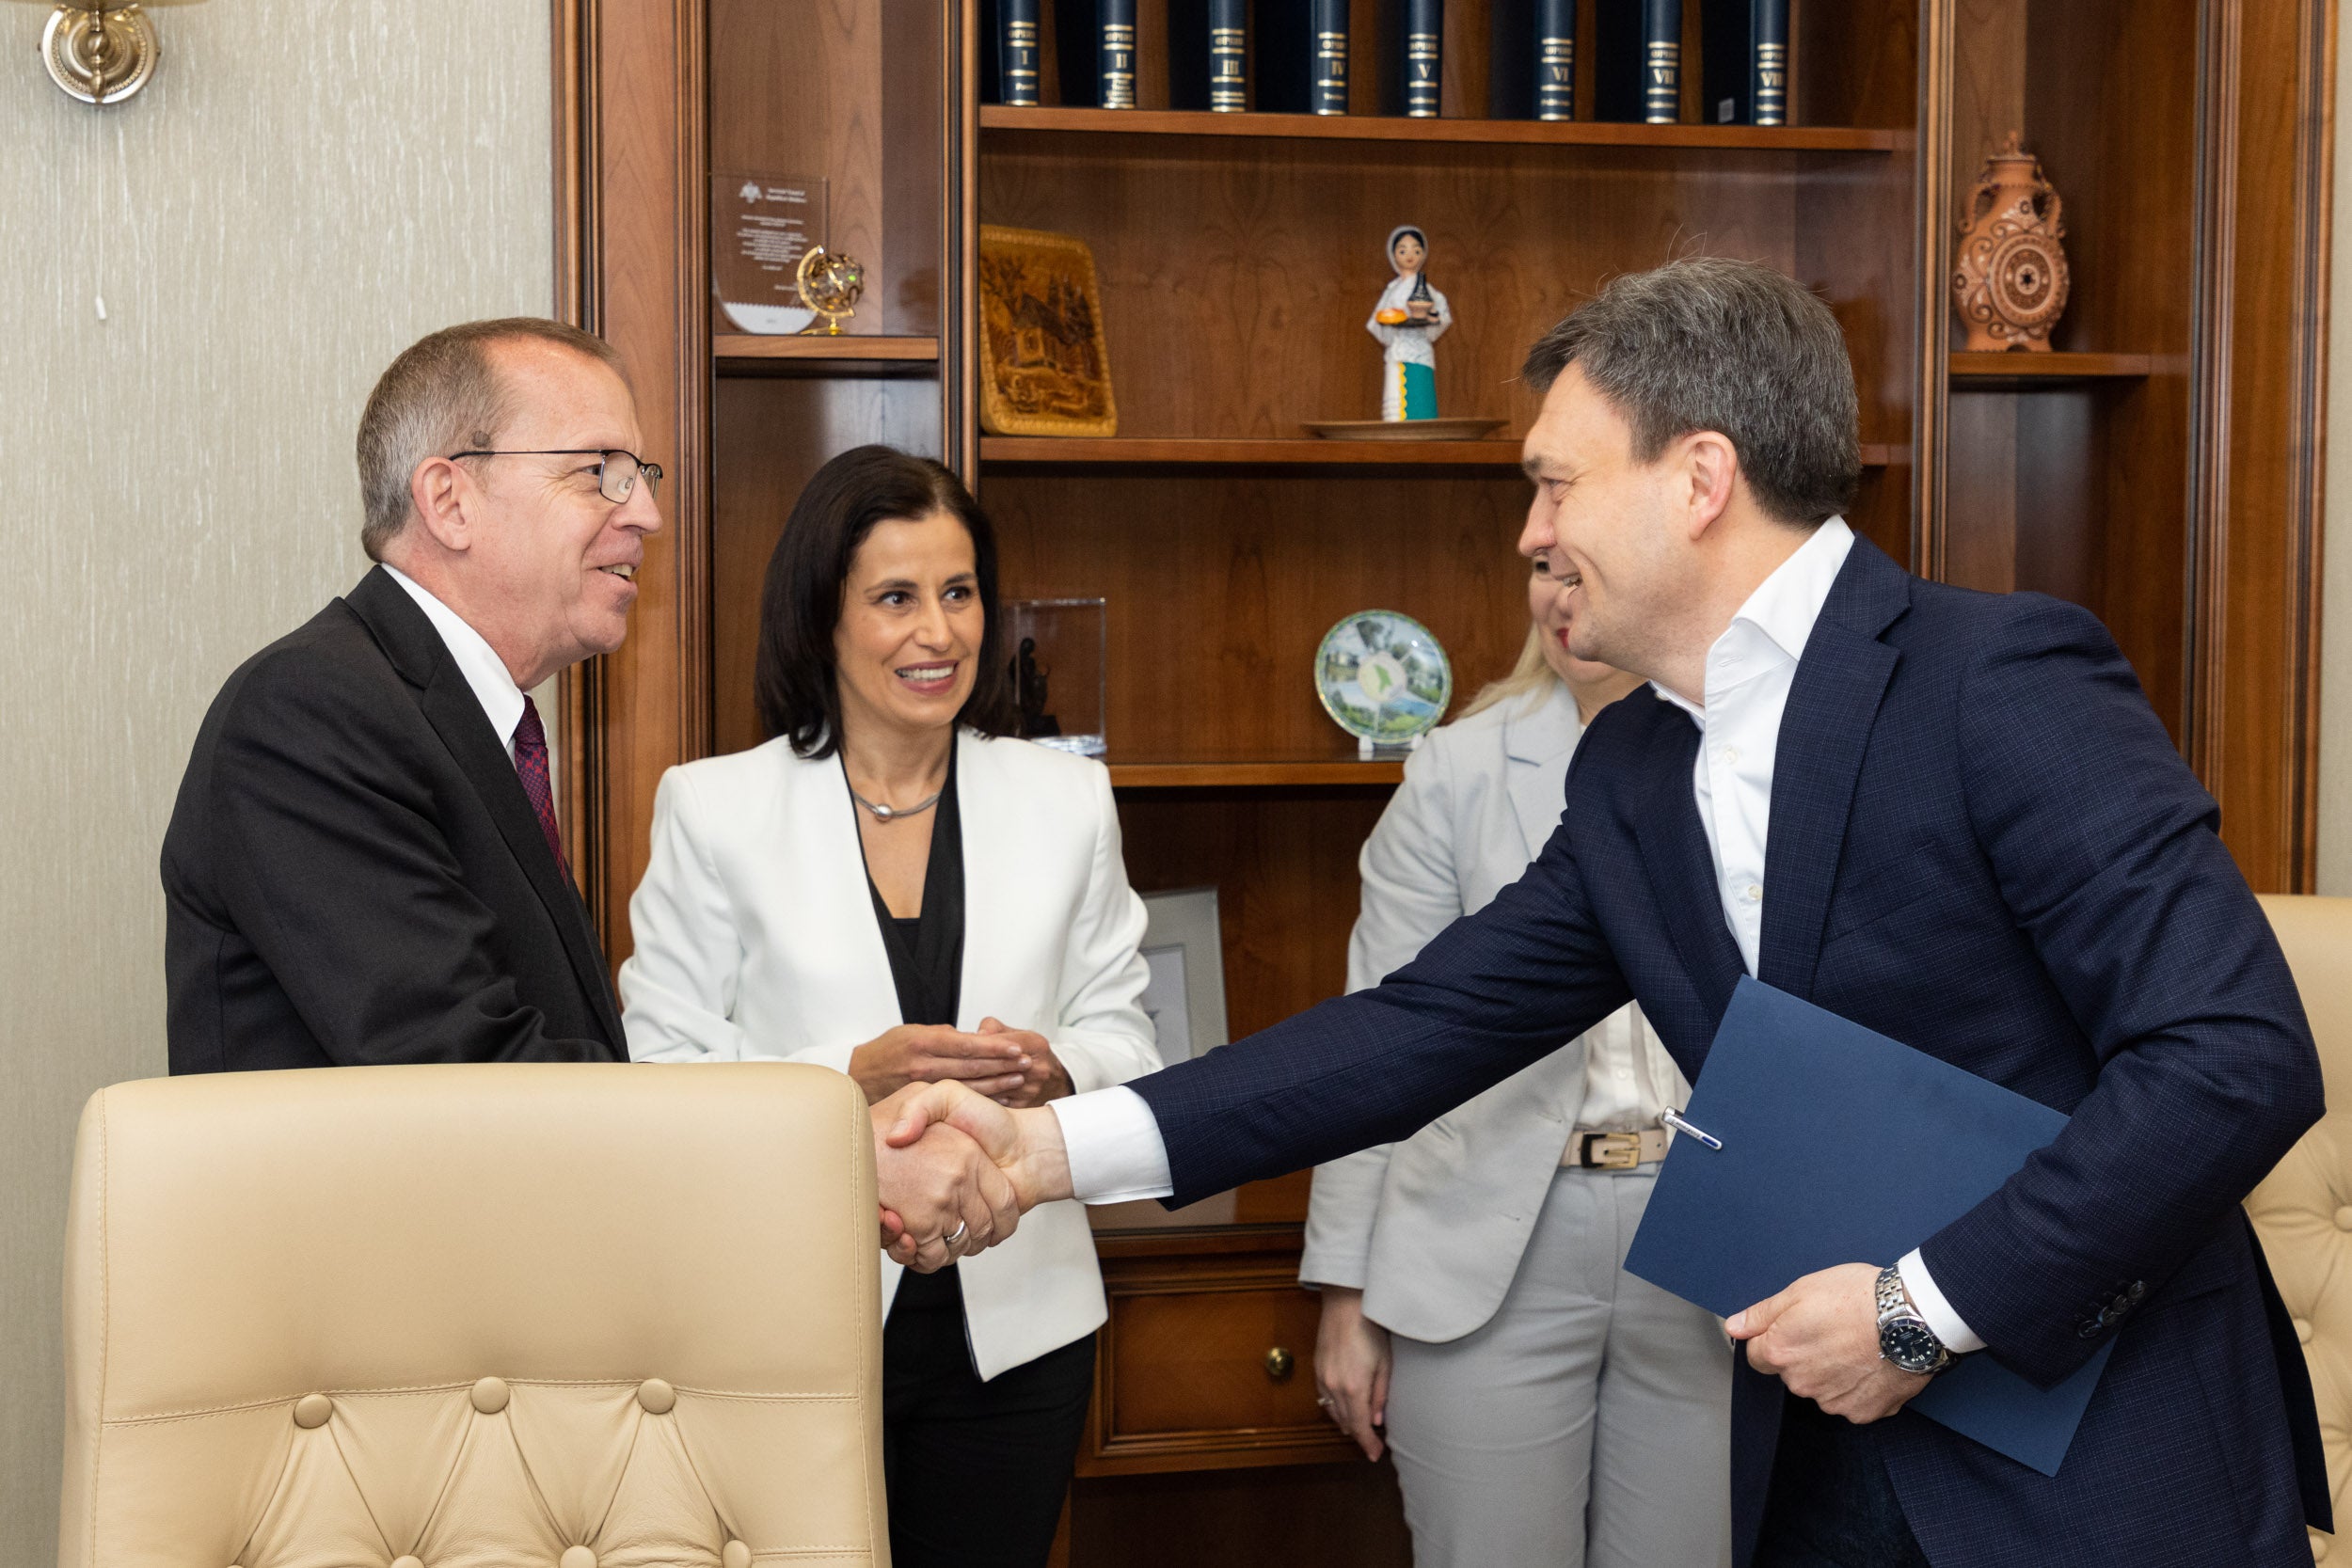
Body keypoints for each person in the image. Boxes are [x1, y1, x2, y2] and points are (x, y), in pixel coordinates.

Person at [887, 258, 2332, 1568]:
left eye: (1555, 485)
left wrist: (1919, 1307)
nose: (1531, 534)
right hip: (1826, 1466)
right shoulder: (1636, 768)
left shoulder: (1994, 678)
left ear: (1698, 478)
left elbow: (2233, 1053)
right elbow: (1419, 1026)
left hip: (2108, 1462)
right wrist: (1040, 1150)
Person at [163, 321, 1013, 1259]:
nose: (645, 513)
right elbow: (471, 1081)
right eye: (598, 470)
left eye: (639, 473)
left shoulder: (464, 717)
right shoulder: (310, 715)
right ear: (450, 499)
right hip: (370, 1350)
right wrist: (841, 1155)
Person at [618, 444, 1160, 1568]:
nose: (939, 632)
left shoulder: (1066, 798)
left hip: (1021, 1329)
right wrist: (845, 1072)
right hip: (786, 1331)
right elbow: (658, 1076)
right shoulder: (713, 809)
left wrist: (1055, 1067)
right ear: (822, 616)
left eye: (959, 593)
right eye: (897, 598)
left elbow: (1130, 1038)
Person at [1304, 563, 1729, 1568]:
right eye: (1547, 569)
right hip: (1484, 1239)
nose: (1565, 595)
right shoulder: (1455, 769)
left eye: (1596, 566)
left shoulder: (1750, 757)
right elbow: (1378, 1037)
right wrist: (1343, 1292)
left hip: (1703, 1235)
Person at [1369, 225, 1452, 421]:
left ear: (1423, 254)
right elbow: (1377, 320)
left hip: (1419, 350)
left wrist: (1430, 318)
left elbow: (1440, 315)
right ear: (1394, 254)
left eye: (1416, 250)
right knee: (1395, 399)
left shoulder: (1427, 288)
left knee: (1418, 396)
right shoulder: (1392, 289)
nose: (1409, 255)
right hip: (1397, 350)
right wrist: (1390, 324)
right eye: (1402, 250)